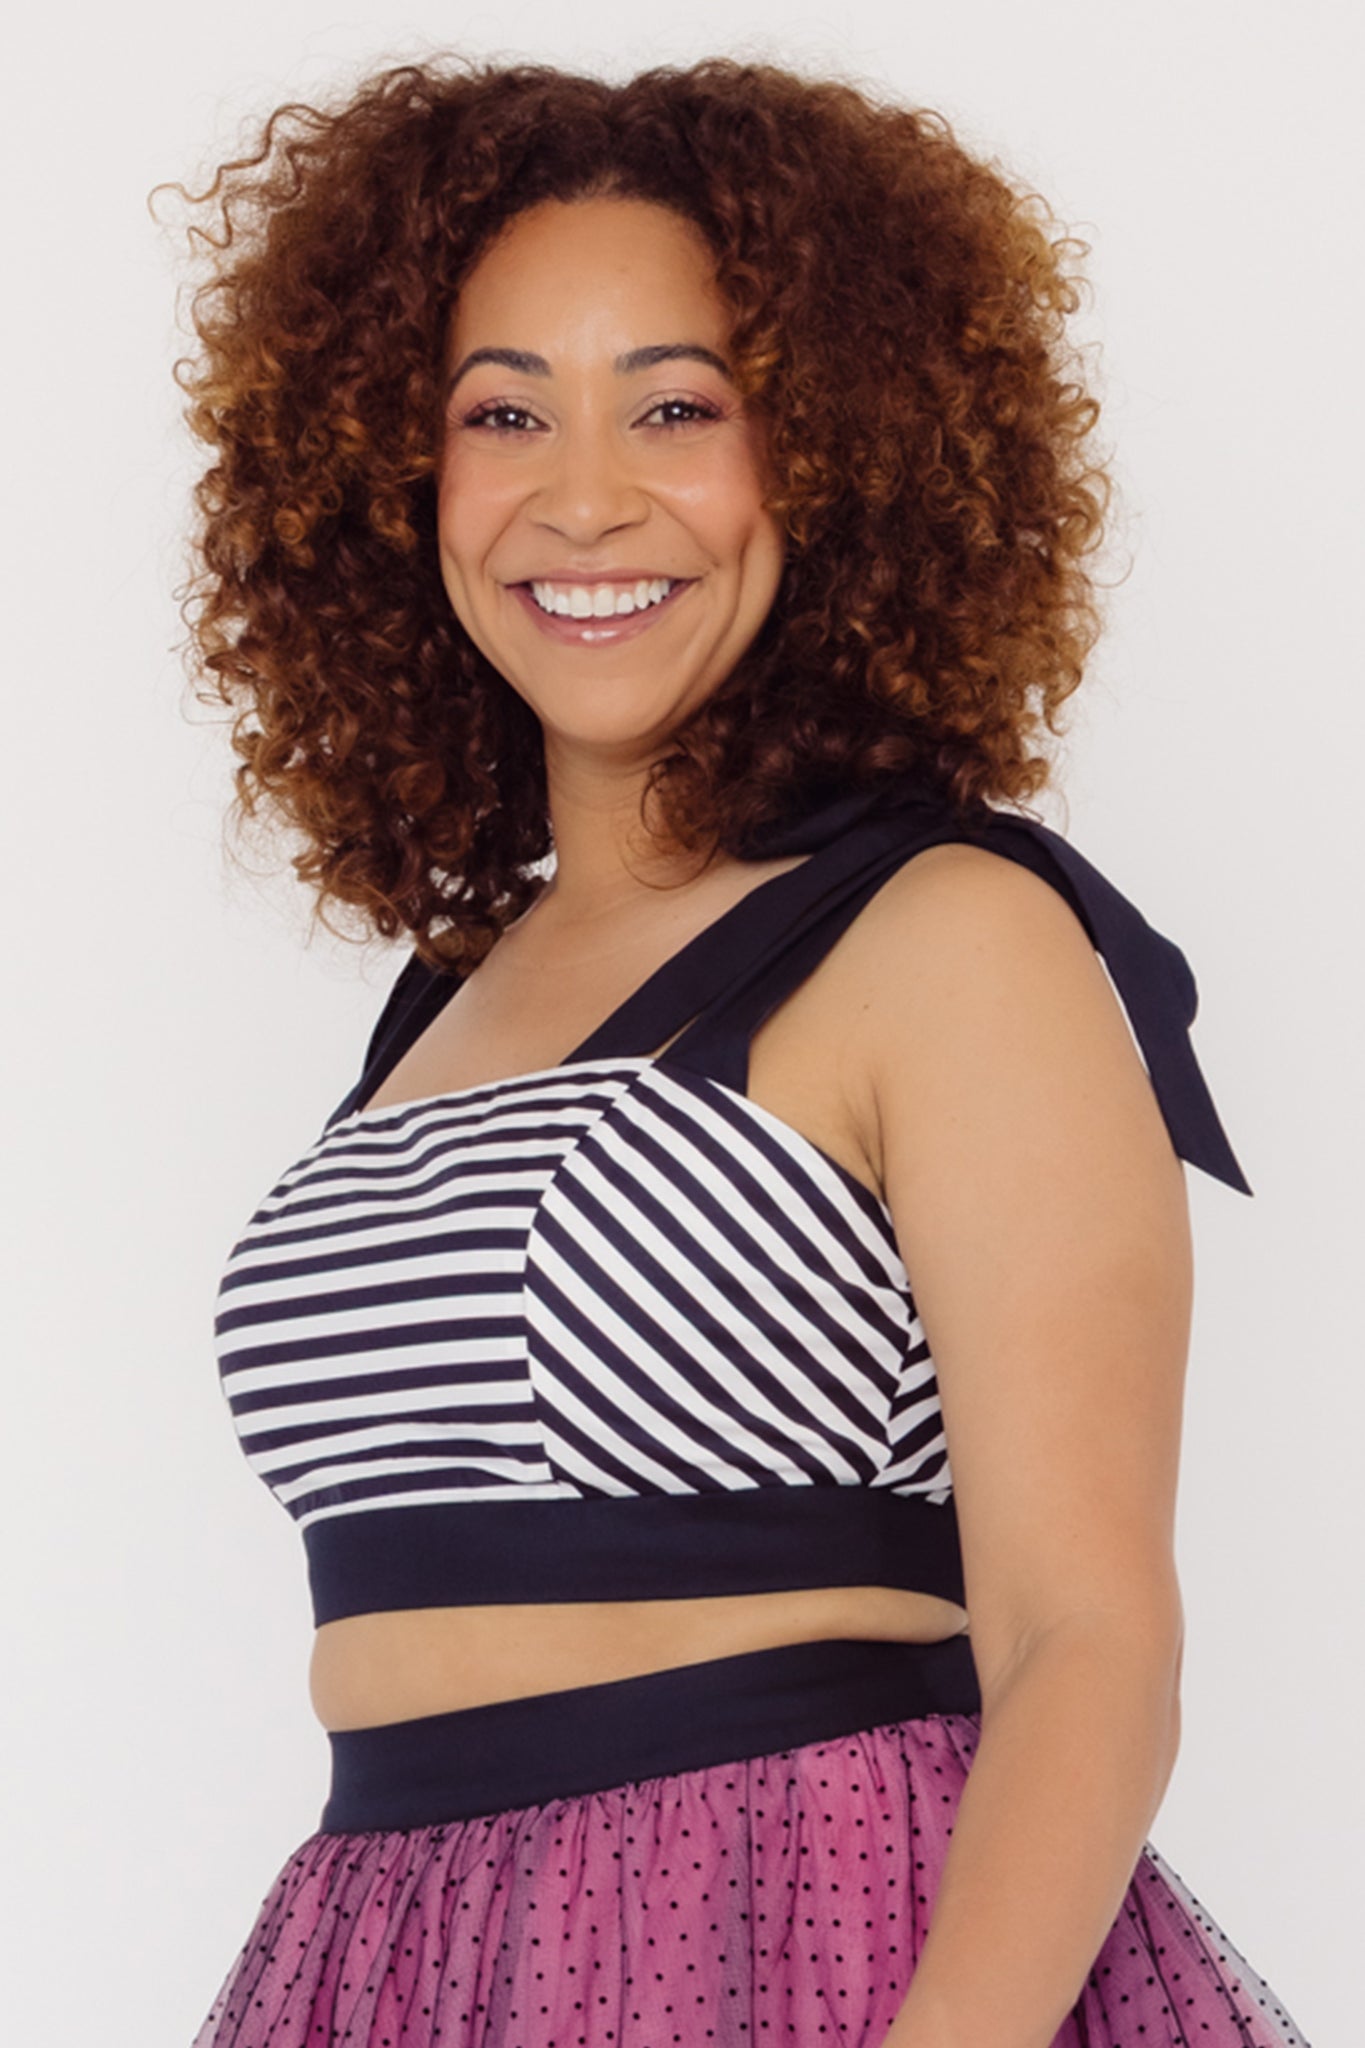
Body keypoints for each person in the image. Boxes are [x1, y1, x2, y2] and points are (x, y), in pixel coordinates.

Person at [172, 53, 1311, 2048]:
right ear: (396, 474)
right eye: (500, 410)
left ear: (829, 456)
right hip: (393, 1959)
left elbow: (1083, 1635)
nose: (582, 492)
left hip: (804, 1926)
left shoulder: (946, 934)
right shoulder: (456, 987)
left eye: (677, 407)